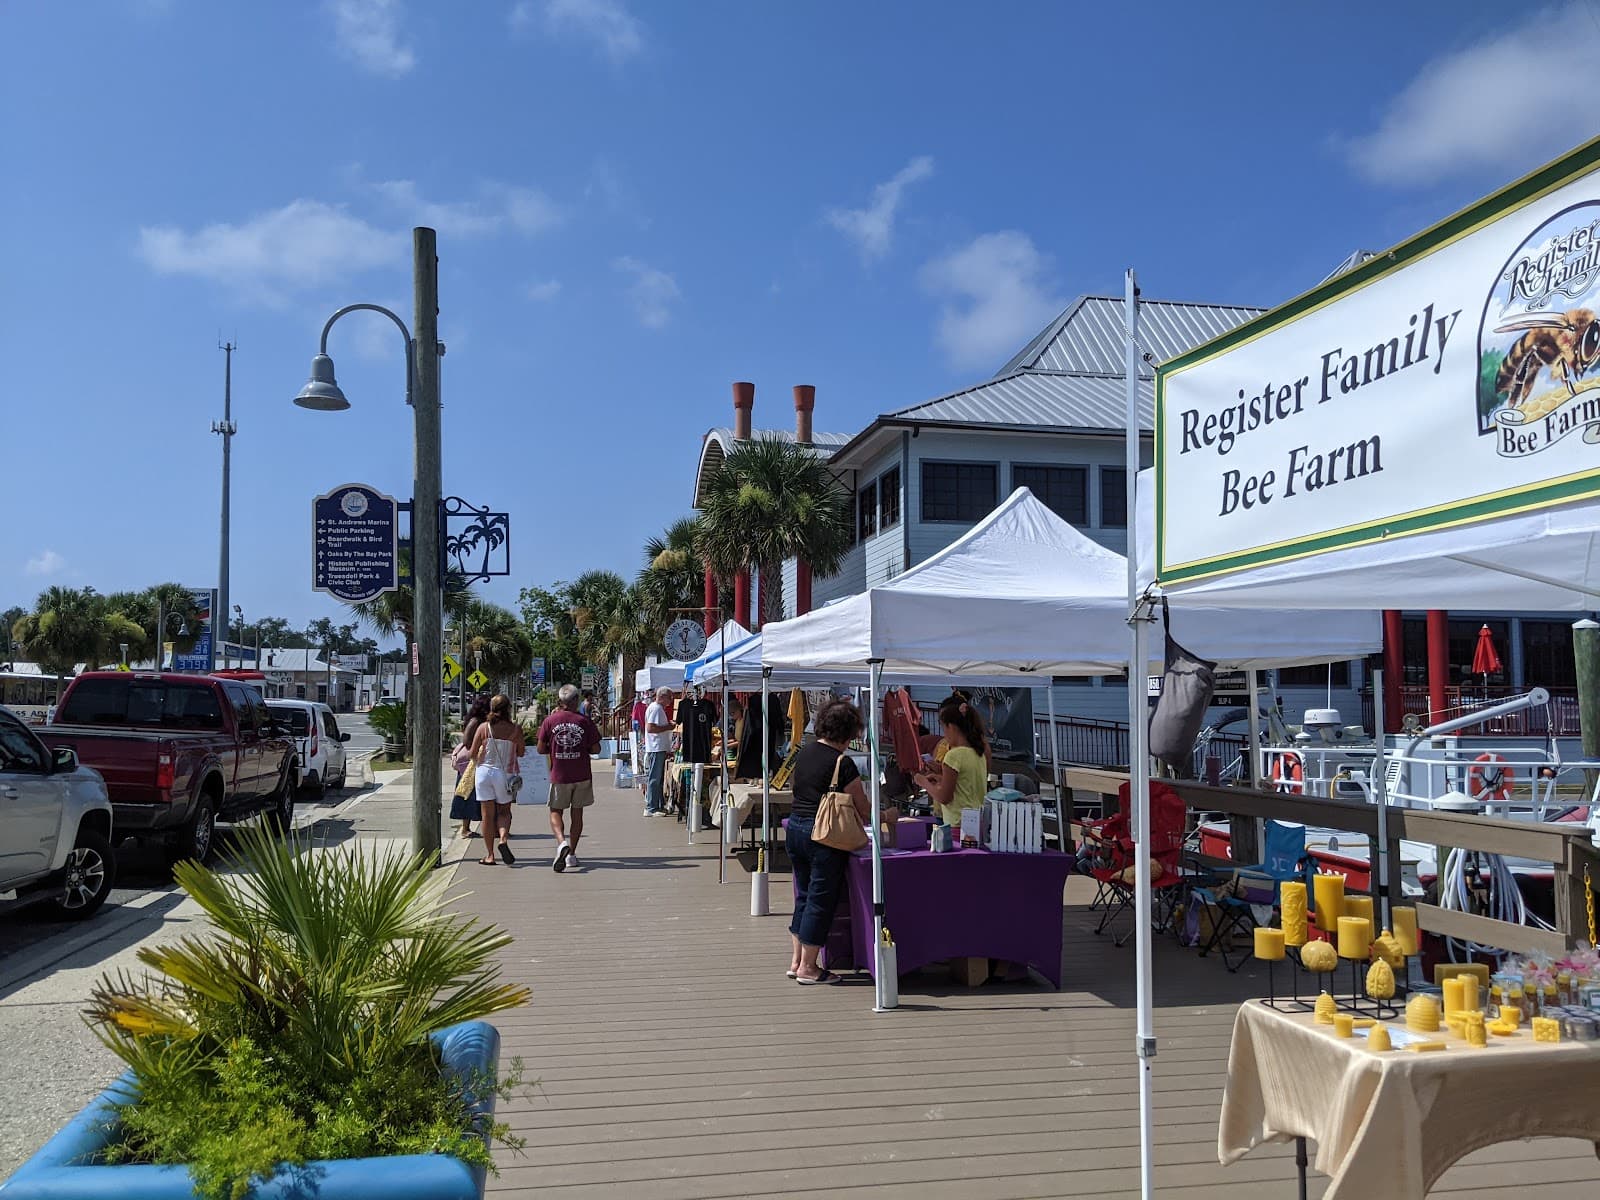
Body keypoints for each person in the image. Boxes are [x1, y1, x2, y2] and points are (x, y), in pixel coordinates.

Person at [786, 699, 870, 986]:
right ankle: (809, 967)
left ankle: (797, 960)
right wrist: (889, 815)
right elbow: (863, 808)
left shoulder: (805, 752)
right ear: (848, 732)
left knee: (804, 895)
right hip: (823, 834)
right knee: (821, 899)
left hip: (795, 827)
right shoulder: (841, 762)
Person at [537, 683, 601, 872]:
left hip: (559, 774)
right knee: (577, 813)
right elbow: (597, 748)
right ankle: (571, 854)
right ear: (575, 701)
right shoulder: (584, 721)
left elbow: (540, 748)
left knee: (555, 811)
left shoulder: (550, 721)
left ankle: (561, 842)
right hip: (581, 774)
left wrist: (555, 749)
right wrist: (584, 748)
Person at [913, 696, 988, 831]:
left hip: (956, 825)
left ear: (951, 727)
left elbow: (944, 797)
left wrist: (923, 782)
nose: (944, 734)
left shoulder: (953, 756)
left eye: (943, 728)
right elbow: (965, 785)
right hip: (977, 822)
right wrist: (940, 779)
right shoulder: (978, 753)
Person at [471, 694, 526, 865]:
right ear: (508, 709)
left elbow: (472, 753)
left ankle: (490, 855)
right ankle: (503, 838)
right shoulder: (516, 730)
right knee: (504, 811)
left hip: (483, 773)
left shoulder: (483, 728)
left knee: (487, 815)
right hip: (505, 774)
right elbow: (521, 752)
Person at [450, 696, 491, 839]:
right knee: (466, 794)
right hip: (471, 763)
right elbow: (467, 741)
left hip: (481, 761)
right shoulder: (475, 722)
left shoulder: (484, 722)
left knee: (476, 796)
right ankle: (465, 828)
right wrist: (479, 745)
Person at [643, 686, 674, 817]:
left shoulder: (656, 708)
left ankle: (658, 805)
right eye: (669, 697)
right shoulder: (656, 708)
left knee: (658, 778)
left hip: (658, 747)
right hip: (656, 748)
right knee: (654, 778)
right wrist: (668, 726)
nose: (671, 700)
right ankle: (651, 807)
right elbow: (651, 728)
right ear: (661, 696)